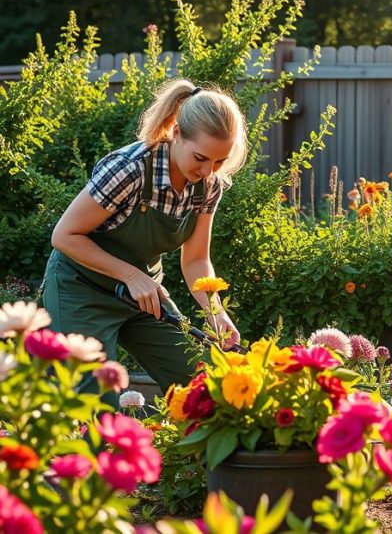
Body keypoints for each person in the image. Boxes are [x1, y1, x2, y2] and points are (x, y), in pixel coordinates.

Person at [41, 79, 244, 404]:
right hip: (80, 290)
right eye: (201, 158)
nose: (208, 170)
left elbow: (195, 260)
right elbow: (64, 235)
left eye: (219, 162)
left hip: (143, 297)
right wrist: (132, 275)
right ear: (177, 132)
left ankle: (186, 455)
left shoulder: (208, 186)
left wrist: (215, 312)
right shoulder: (130, 169)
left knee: (200, 385)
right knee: (93, 402)